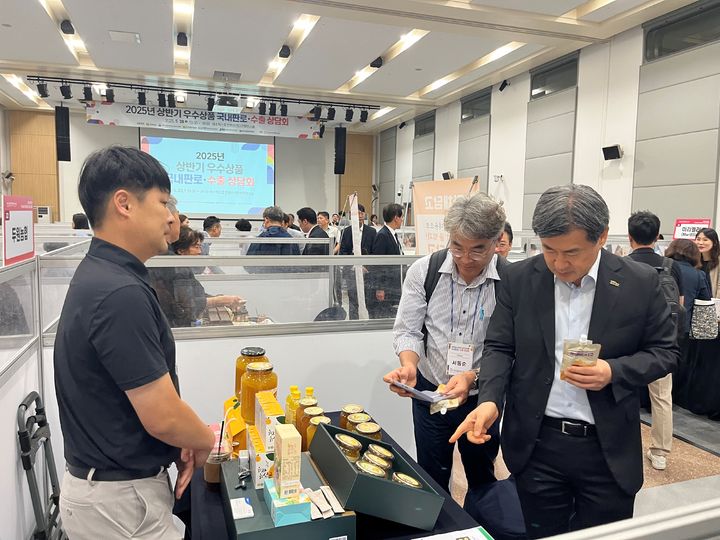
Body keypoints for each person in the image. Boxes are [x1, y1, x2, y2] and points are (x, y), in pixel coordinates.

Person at [450, 184, 678, 538]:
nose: (559, 264)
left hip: (605, 448)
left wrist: (613, 371)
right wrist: (491, 399)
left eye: (572, 252)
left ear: (602, 236)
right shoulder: (520, 279)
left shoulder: (640, 282)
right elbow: (499, 346)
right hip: (538, 444)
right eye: (548, 250)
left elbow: (665, 351)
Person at [54, 146, 215, 540]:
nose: (171, 217)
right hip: (119, 504)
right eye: (163, 202)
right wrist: (204, 440)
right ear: (124, 204)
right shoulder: (118, 292)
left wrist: (182, 441)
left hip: (116, 495)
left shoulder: (106, 274)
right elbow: (162, 416)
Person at [383, 193, 506, 493]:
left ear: (496, 242)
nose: (465, 258)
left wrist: (473, 376)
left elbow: (509, 350)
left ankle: (478, 519)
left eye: (477, 250)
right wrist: (409, 365)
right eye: (457, 247)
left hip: (481, 398)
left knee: (481, 476)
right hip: (431, 394)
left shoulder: (510, 280)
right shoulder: (424, 271)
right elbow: (408, 330)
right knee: (431, 475)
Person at [627, 210, 681, 472]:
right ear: (657, 235)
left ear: (629, 237)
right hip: (659, 341)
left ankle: (621, 446)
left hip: (627, 340)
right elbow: (679, 304)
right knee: (661, 396)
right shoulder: (671, 266)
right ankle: (659, 452)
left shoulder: (622, 265)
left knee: (621, 393)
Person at [338, 204, 377, 319]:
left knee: (370, 302)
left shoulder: (372, 232)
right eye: (356, 213)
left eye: (361, 213)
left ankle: (370, 325)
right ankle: (353, 325)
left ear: (364, 215)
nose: (359, 216)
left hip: (367, 273)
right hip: (351, 273)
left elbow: (375, 252)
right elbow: (342, 252)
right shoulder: (345, 232)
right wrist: (352, 265)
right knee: (353, 304)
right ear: (351, 216)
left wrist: (366, 266)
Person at [369, 203, 404, 318]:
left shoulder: (392, 234)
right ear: (396, 218)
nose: (402, 220)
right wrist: (380, 288)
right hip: (386, 285)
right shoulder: (383, 235)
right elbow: (378, 264)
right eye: (401, 217)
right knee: (383, 315)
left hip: (393, 283)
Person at [695, 228, 720, 296]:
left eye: (705, 240)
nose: (700, 243)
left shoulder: (718, 260)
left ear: (714, 242)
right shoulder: (693, 259)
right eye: (698, 239)